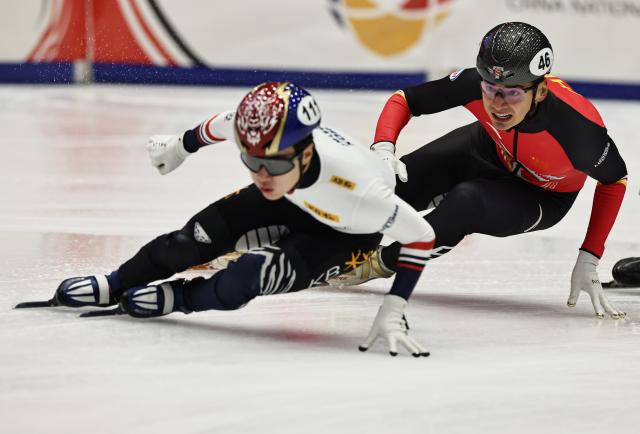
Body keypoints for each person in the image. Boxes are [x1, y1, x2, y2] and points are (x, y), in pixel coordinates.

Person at [46, 82, 437, 356]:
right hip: (293, 194)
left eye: (271, 162)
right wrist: (180, 146)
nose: (261, 174)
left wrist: (394, 308)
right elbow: (221, 126)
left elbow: (421, 235)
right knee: (191, 240)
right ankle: (116, 282)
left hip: (344, 233)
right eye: (251, 161)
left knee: (249, 273)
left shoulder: (361, 193)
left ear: (303, 153)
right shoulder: (263, 137)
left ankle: (180, 298)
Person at [335, 22, 628, 318]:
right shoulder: (474, 84)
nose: (497, 104)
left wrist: (589, 256)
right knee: (389, 185)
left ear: (540, 91)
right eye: (490, 89)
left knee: (466, 201)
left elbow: (615, 180)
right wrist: (384, 148)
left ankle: (377, 264)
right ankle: (305, 229)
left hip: (539, 195)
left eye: (512, 93)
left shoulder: (578, 131)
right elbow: (406, 100)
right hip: (486, 148)